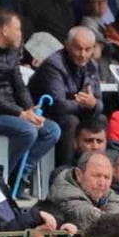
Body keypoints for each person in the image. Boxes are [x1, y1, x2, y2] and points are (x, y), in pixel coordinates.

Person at [0, 9, 62, 183]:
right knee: (27, 131)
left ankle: (19, 177)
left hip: (14, 111)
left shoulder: (12, 51)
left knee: (52, 130)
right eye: (18, 29)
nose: (21, 34)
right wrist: (20, 113)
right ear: (5, 30)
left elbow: (19, 85)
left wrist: (30, 109)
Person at [28, 26, 102, 167]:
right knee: (70, 121)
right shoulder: (54, 65)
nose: (83, 54)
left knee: (100, 119)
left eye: (88, 49)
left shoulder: (92, 65)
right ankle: (64, 169)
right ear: (67, 45)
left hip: (73, 111)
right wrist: (83, 104)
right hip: (44, 114)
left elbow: (99, 101)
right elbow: (58, 105)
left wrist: (93, 104)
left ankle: (95, 166)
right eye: (78, 48)